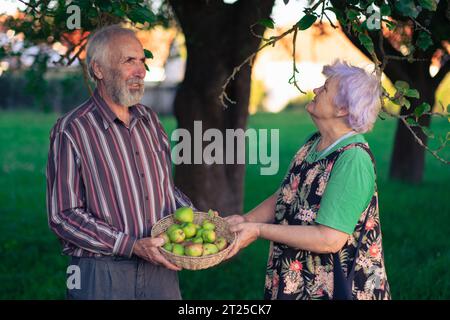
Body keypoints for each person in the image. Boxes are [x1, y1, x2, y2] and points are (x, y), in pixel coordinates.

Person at [46, 25, 195, 300]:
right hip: (101, 274)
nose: (141, 71)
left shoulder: (150, 121)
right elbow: (63, 214)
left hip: (160, 270)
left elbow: (164, 188)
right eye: (129, 61)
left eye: (142, 61)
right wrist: (131, 245)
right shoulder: (72, 129)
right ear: (98, 70)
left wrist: (196, 218)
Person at [226, 61, 391, 300]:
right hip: (297, 280)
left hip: (335, 289)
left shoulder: (352, 159)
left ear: (342, 109)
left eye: (324, 89)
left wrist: (259, 230)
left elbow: (329, 239)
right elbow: (286, 196)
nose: (315, 90)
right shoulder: (313, 143)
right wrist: (246, 221)